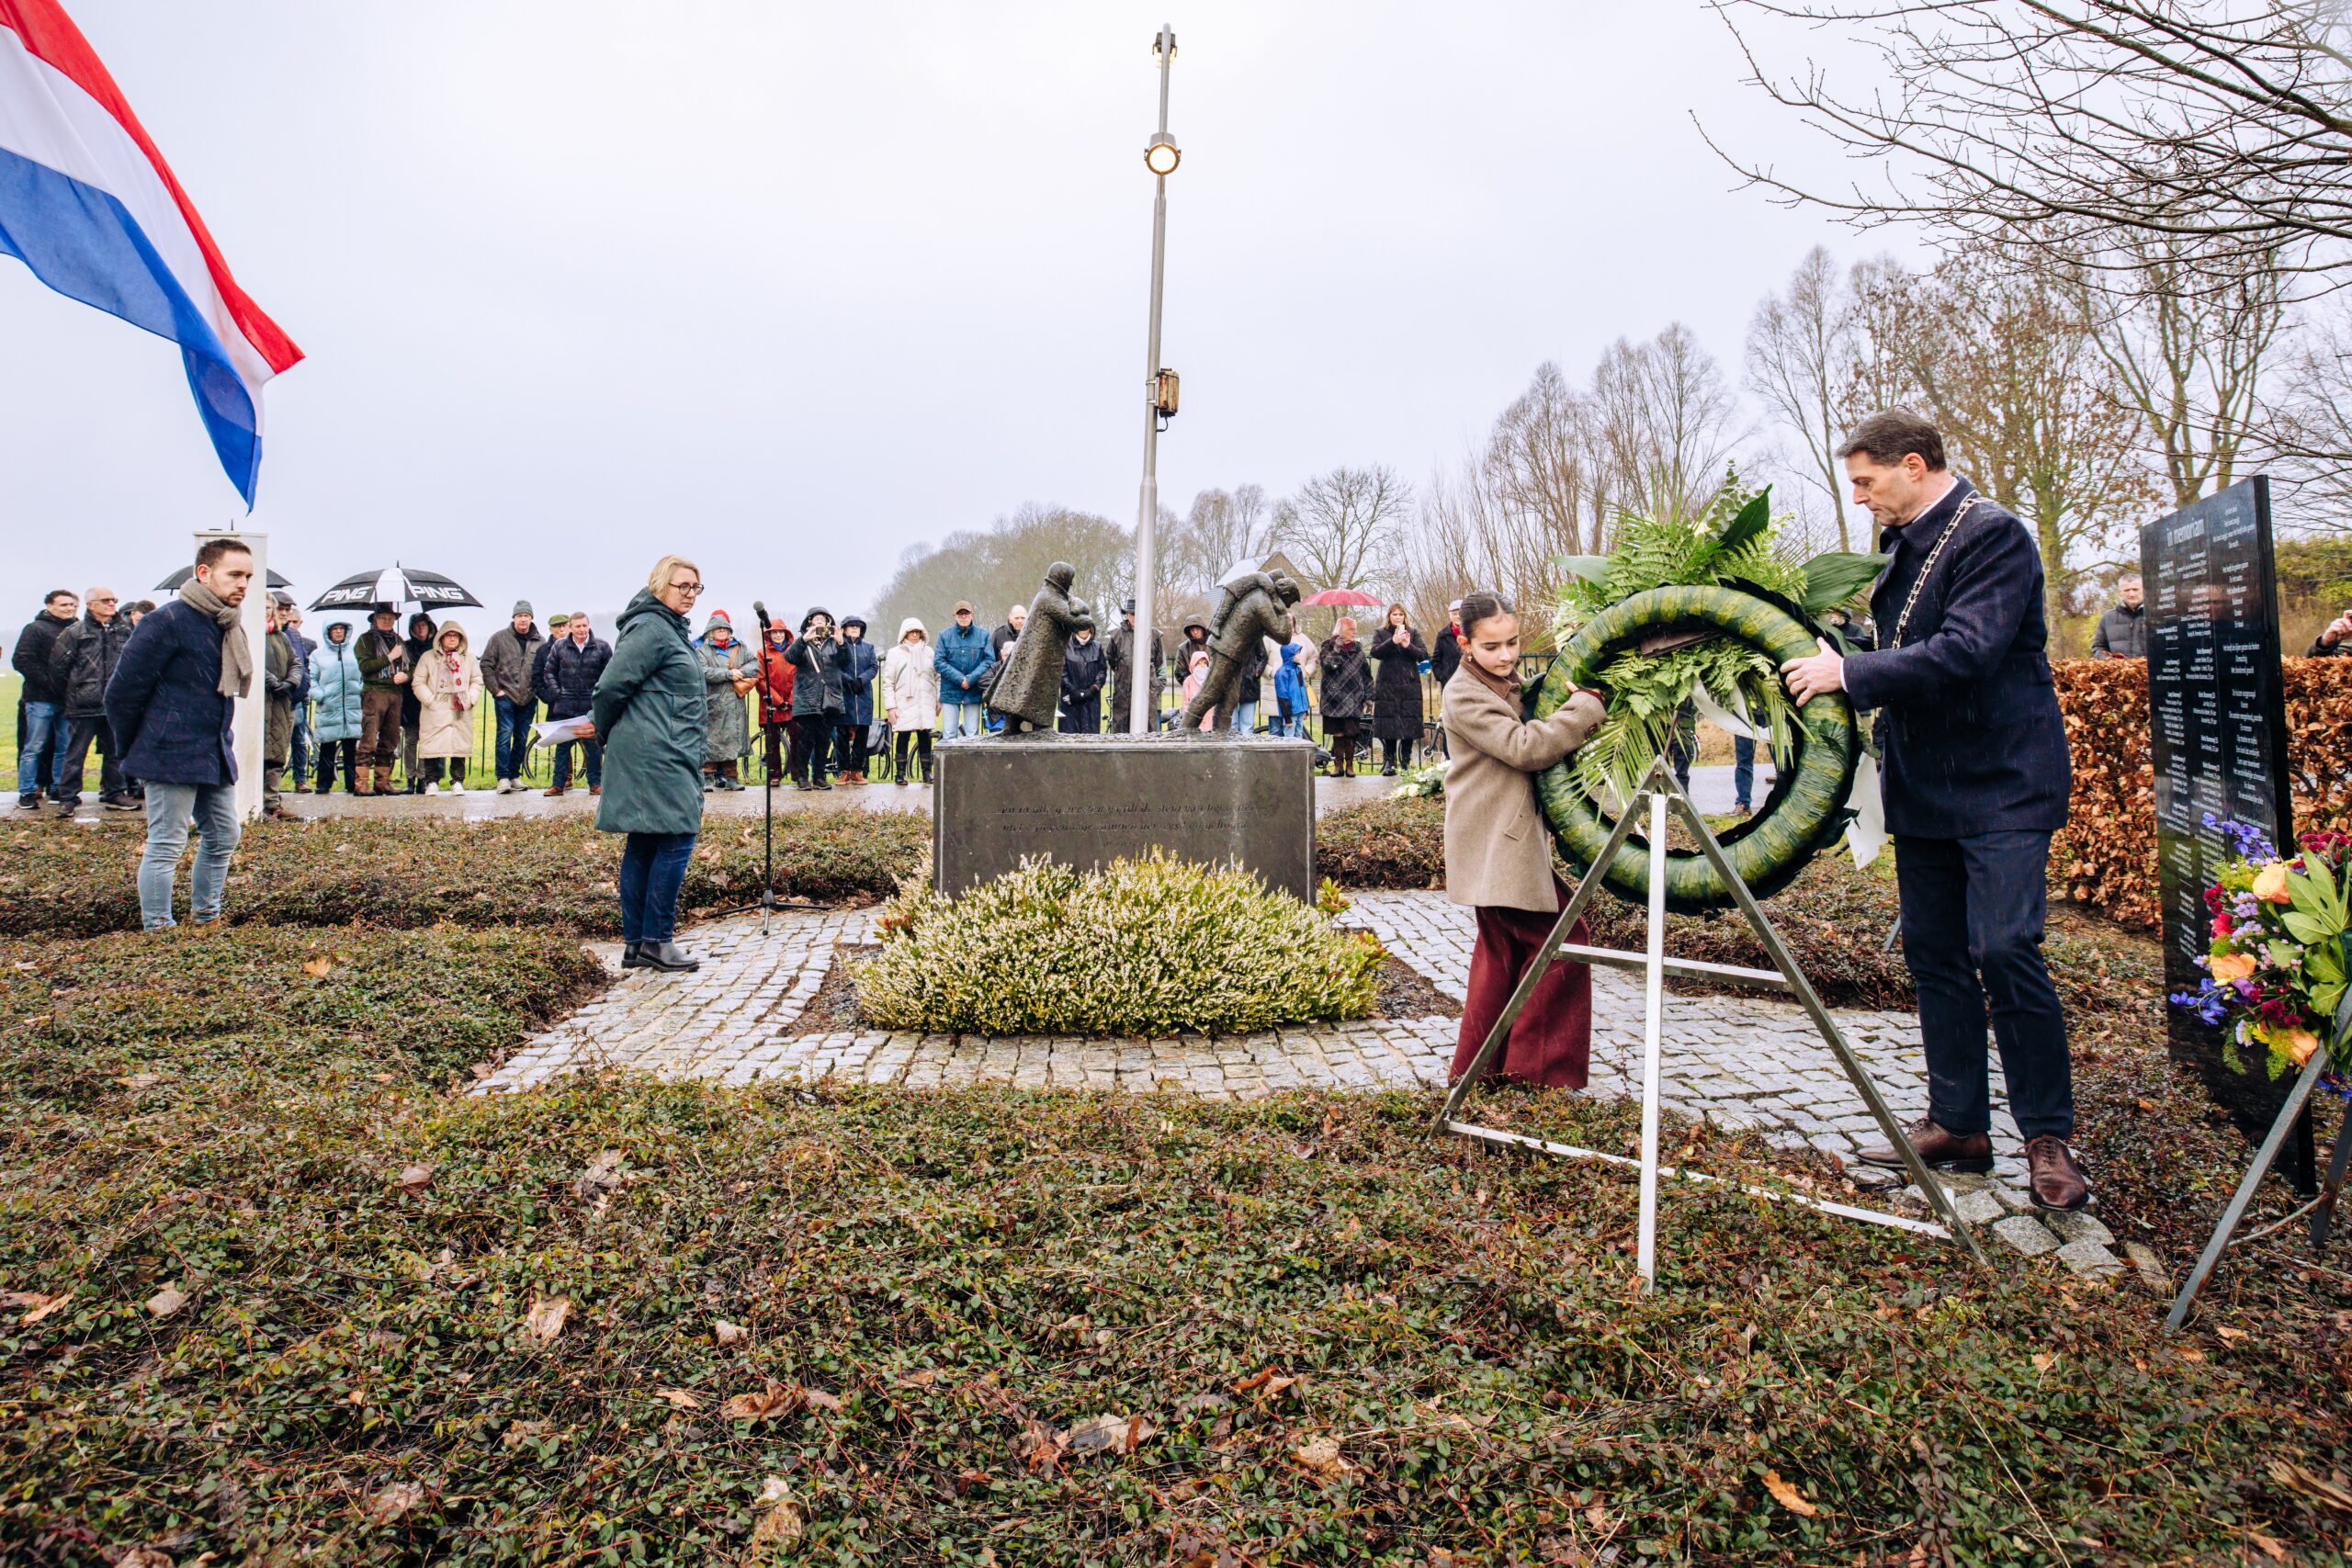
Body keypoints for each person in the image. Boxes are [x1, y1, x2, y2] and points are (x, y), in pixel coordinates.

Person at [1781, 409, 2086, 1211]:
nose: (1861, 499)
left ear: (1913, 465)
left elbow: (1967, 650)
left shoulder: (1995, 536)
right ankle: (1960, 1125)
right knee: (1936, 953)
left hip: (2003, 784)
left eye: (1866, 481)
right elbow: (1899, 637)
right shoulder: (1897, 547)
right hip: (1926, 790)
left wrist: (1850, 675)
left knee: (2007, 945)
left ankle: (2049, 1136)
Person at [1443, 592, 1609, 1089]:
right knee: (1564, 943)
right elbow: (1525, 746)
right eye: (1492, 646)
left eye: (1513, 642)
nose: (1507, 654)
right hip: (1495, 842)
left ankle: (1476, 1073)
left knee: (1501, 955)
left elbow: (1528, 705)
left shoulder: (1500, 681)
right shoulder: (1464, 693)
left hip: (1499, 842)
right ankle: (1536, 1078)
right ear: (1465, 643)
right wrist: (1583, 708)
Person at [105, 539, 252, 930]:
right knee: (167, 844)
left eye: (248, 577)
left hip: (212, 750)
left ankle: (207, 917)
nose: (243, 584)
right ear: (204, 573)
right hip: (169, 753)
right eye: (234, 574)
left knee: (223, 835)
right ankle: (159, 928)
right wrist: (136, 749)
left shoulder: (225, 622)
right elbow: (121, 693)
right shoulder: (166, 622)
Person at [592, 555, 708, 972]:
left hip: (663, 748)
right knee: (677, 838)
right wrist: (606, 734)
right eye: (683, 587)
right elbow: (608, 689)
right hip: (657, 754)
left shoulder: (668, 628)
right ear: (660, 585)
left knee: (644, 843)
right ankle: (656, 941)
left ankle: (638, 944)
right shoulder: (652, 629)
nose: (691, 595)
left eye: (696, 588)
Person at [45, 586, 133, 813]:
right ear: (91, 604)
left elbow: (134, 663)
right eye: (106, 600)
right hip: (83, 704)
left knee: (115, 753)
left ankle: (115, 793)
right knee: (75, 753)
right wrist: (76, 692)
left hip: (115, 704)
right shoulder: (75, 632)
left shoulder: (124, 631)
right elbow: (58, 669)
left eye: (114, 599)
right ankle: (68, 797)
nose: (112, 604)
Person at [13, 589, 77, 808]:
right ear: (50, 606)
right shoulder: (35, 629)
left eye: (72, 605)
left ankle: (59, 788)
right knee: (34, 746)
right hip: (40, 698)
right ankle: (27, 791)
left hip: (68, 699)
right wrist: (50, 682)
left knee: (65, 747)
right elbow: (22, 659)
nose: (69, 609)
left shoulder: (77, 629)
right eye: (64, 605)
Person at [480, 600, 545, 794]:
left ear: (531, 618)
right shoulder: (499, 639)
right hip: (505, 696)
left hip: (528, 698)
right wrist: (496, 690)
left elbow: (543, 668)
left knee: (521, 737)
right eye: (519, 616)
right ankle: (503, 777)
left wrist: (537, 693)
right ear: (514, 618)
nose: (523, 620)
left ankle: (515, 774)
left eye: (526, 616)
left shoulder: (540, 642)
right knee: (504, 735)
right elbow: (486, 664)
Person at [542, 612, 610, 795]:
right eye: (578, 626)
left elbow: (609, 675)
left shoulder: (601, 647)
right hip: (566, 705)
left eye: (584, 626)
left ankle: (595, 784)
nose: (581, 630)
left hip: (590, 706)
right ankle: (558, 784)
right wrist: (557, 692)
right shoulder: (559, 646)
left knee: (593, 748)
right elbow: (548, 671)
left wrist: (599, 696)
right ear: (571, 628)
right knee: (563, 747)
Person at [413, 619, 482, 794]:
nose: (452, 639)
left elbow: (476, 680)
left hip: (460, 706)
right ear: (441, 638)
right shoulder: (428, 657)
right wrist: (430, 700)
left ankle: (457, 780)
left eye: (455, 636)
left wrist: (470, 699)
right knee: (432, 745)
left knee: (459, 744)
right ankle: (431, 781)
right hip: (436, 707)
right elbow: (418, 682)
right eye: (448, 635)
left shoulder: (469, 658)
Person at [694, 609, 757, 791]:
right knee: (711, 739)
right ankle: (708, 777)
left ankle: (732, 777)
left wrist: (741, 672)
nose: (722, 631)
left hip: (734, 703)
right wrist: (728, 674)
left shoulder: (740, 647)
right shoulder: (703, 651)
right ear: (710, 632)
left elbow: (755, 665)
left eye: (725, 628)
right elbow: (703, 671)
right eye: (718, 628)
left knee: (733, 738)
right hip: (713, 702)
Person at [353, 604, 410, 797]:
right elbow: (365, 666)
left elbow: (410, 664)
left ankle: (382, 782)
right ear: (374, 619)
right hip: (374, 692)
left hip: (395, 693)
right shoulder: (365, 640)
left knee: (390, 738)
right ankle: (361, 783)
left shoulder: (399, 640)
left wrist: (406, 676)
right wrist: (389, 657)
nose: (387, 620)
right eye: (383, 617)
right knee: (369, 738)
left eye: (390, 617)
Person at [786, 607, 843, 789]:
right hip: (808, 699)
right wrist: (804, 640)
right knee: (805, 740)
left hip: (829, 700)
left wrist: (842, 643)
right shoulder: (803, 642)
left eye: (823, 619)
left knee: (823, 741)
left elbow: (846, 661)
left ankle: (819, 776)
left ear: (828, 623)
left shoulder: (834, 643)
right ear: (809, 622)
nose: (819, 622)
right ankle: (803, 777)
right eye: (815, 619)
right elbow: (790, 657)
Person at [1370, 602, 1429, 774]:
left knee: (1409, 723)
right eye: (1394, 614)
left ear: (1405, 617)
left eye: (1400, 614)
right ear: (1389, 616)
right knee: (1389, 723)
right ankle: (1390, 763)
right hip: (1387, 683)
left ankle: (1405, 762)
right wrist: (1392, 641)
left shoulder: (1413, 632)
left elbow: (1423, 655)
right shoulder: (1380, 633)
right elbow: (1375, 652)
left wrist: (1407, 645)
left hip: (1409, 684)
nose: (1397, 617)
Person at [308, 620, 363, 795]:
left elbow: (363, 676)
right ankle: (323, 784)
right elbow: (311, 679)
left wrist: (360, 690)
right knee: (327, 747)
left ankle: (351, 783)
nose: (338, 632)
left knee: (350, 748)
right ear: (328, 632)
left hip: (352, 707)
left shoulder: (355, 652)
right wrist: (319, 695)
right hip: (329, 707)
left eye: (341, 629)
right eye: (335, 629)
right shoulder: (317, 655)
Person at [883, 617, 938, 784]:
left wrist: (938, 699)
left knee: (925, 736)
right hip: (904, 701)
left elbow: (938, 677)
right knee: (903, 736)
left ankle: (926, 772)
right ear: (905, 633)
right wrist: (891, 706)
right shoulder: (894, 653)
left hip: (925, 700)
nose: (914, 635)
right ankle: (900, 773)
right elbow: (888, 682)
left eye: (917, 632)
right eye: (911, 632)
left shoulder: (929, 652)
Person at [1317, 616, 1373, 776]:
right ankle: (1338, 766)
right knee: (1338, 733)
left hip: (1354, 698)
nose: (1355, 632)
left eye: (1355, 629)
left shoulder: (1358, 650)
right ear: (1341, 630)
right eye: (1351, 629)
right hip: (1333, 699)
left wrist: (1369, 695)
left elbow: (1367, 675)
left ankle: (1350, 766)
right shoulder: (1327, 646)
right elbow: (1329, 665)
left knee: (1351, 733)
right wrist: (1337, 648)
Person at [260, 601, 300, 817]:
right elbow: (253, 661)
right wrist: (272, 681)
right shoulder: (249, 633)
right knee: (259, 752)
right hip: (261, 700)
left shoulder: (281, 637)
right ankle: (255, 801)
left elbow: (296, 662)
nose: (265, 610)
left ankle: (272, 801)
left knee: (277, 753)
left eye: (268, 607)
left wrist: (291, 682)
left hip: (281, 702)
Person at [934, 600, 994, 740]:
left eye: (966, 614)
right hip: (950, 691)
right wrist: (960, 679)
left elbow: (989, 660)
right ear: (954, 616)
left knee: (972, 735)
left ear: (972, 615)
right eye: (960, 614)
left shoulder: (984, 635)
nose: (963, 617)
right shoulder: (944, 636)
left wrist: (971, 679)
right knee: (949, 734)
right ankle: (950, 763)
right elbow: (938, 662)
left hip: (973, 691)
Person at [275, 594, 315, 792]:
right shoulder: (264, 633)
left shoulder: (296, 636)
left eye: (287, 609)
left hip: (297, 697)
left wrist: (302, 686)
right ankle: (271, 786)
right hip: (275, 695)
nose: (283, 613)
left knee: (298, 740)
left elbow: (303, 663)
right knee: (276, 743)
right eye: (280, 609)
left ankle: (300, 779)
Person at [833, 615, 879, 784]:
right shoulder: (838, 646)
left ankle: (858, 771)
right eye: (851, 626)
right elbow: (834, 667)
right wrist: (848, 680)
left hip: (863, 695)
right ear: (844, 629)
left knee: (862, 735)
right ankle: (844, 771)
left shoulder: (868, 647)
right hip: (845, 694)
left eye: (858, 626)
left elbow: (874, 666)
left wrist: (862, 680)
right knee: (842, 736)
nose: (854, 628)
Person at [1107, 598, 1163, 733]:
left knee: (1148, 726)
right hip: (1122, 690)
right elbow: (1112, 659)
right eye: (1132, 614)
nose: (1134, 617)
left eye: (1138, 614)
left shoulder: (1154, 635)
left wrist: (1155, 687)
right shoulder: (1116, 635)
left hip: (1147, 689)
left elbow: (1158, 661)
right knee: (1121, 727)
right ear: (1127, 615)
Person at [399, 611, 438, 794]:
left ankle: (423, 777)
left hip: (431, 699)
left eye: (423, 624)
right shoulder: (405, 647)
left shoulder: (436, 647)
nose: (420, 628)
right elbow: (404, 669)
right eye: (417, 625)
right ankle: (409, 778)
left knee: (427, 741)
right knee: (410, 741)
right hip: (410, 700)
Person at [755, 617, 796, 784]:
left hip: (793, 704)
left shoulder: (794, 652)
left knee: (798, 740)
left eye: (781, 632)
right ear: (769, 635)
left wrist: (791, 700)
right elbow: (760, 679)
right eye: (774, 632)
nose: (778, 635)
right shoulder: (762, 653)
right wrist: (778, 701)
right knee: (772, 743)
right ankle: (774, 775)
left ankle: (798, 774)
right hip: (770, 705)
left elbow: (800, 678)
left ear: (786, 634)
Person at [1271, 615, 1314, 739]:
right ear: (1289, 655)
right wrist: (1287, 717)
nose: (1300, 656)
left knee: (1299, 736)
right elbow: (1282, 696)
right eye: (1297, 653)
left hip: (1300, 711)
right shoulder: (1282, 673)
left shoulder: (1298, 670)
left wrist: (1305, 709)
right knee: (1289, 737)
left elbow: (1302, 689)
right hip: (1291, 713)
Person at [1060, 622, 1107, 733]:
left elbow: (1102, 670)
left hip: (1091, 699)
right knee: (1069, 736)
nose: (1083, 629)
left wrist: (1094, 688)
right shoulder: (1065, 646)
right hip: (1070, 700)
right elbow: (1061, 671)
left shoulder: (1097, 647)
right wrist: (1071, 689)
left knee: (1090, 736)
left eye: (1086, 626)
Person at [2090, 577, 2147, 659]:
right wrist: (2112, 663)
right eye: (2126, 590)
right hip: (2119, 670)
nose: (2131, 594)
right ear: (2119, 592)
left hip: (2151, 670)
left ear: (2144, 590)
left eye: (2135, 589)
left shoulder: (2157, 615)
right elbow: (2098, 647)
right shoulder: (2108, 618)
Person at [1431, 601, 1464, 688]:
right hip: (1449, 683)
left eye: (1460, 613)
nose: (1458, 616)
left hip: (1470, 682)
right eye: (1454, 614)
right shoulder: (1442, 635)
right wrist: (1442, 676)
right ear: (1450, 615)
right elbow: (1435, 660)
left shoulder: (1473, 633)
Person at [1179, 648, 1214, 729]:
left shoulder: (1210, 680)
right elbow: (1185, 702)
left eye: (1205, 663)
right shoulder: (1188, 681)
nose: (1202, 665)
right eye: (1199, 663)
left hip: (1209, 719)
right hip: (1193, 720)